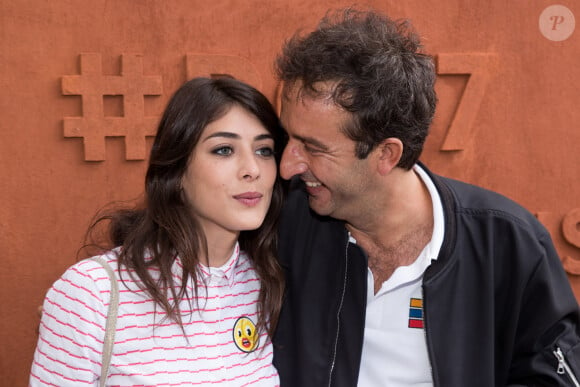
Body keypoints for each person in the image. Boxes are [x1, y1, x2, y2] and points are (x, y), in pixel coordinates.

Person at [272, 8, 580, 387]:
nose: (287, 166)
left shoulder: (508, 243)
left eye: (312, 148)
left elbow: (553, 375)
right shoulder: (277, 223)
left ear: (387, 154)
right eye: (288, 138)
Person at [30, 77, 285, 386]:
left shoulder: (261, 282)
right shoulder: (91, 293)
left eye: (264, 150)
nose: (252, 169)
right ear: (176, 170)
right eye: (223, 150)